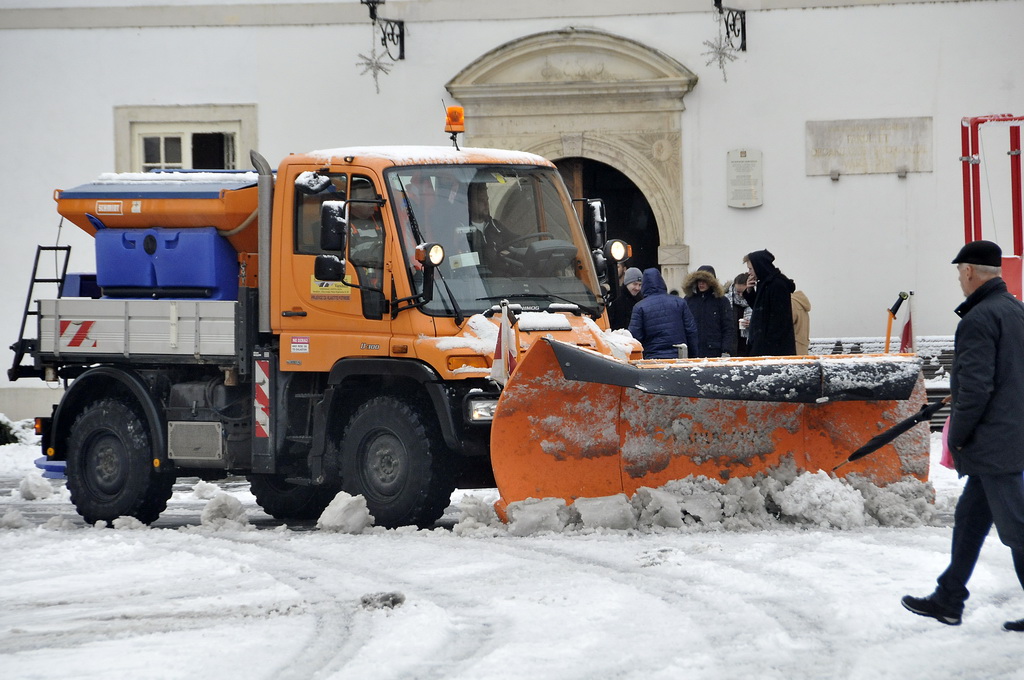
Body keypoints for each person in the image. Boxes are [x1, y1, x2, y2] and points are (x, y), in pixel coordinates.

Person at [901, 240, 1024, 632]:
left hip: (995, 445)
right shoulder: (1015, 310)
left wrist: (958, 437)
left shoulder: (978, 318)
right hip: (1011, 436)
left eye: (959, 273)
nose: (959, 280)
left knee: (1018, 530)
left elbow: (974, 389)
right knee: (970, 520)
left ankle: (949, 598)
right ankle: (949, 598)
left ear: (969, 271)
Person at [628, 268, 699, 359]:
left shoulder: (639, 307)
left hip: (653, 357)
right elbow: (691, 331)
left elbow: (635, 336)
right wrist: (693, 355)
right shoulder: (679, 302)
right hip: (679, 355)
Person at [743, 250, 796, 356]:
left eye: (750, 269)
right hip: (763, 346)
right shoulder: (764, 283)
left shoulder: (777, 285)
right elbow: (760, 310)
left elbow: (779, 321)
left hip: (772, 349)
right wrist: (749, 291)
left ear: (759, 267)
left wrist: (763, 345)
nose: (749, 272)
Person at [682, 265, 735, 357]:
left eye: (705, 281)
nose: (701, 284)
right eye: (699, 280)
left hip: (714, 351)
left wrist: (726, 350)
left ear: (711, 282)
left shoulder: (721, 301)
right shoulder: (688, 300)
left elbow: (728, 327)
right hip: (693, 350)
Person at [608, 266, 643, 330]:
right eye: (635, 284)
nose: (637, 288)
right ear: (627, 283)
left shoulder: (642, 301)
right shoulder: (616, 300)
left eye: (640, 285)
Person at [726, 272, 752, 356]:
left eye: (743, 292)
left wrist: (752, 323)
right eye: (738, 292)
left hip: (748, 344)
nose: (740, 295)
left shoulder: (755, 300)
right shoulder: (727, 300)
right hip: (732, 345)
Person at [791, 290, 812, 355]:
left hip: (794, 347)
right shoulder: (801, 304)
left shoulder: (792, 303)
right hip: (802, 345)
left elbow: (785, 325)